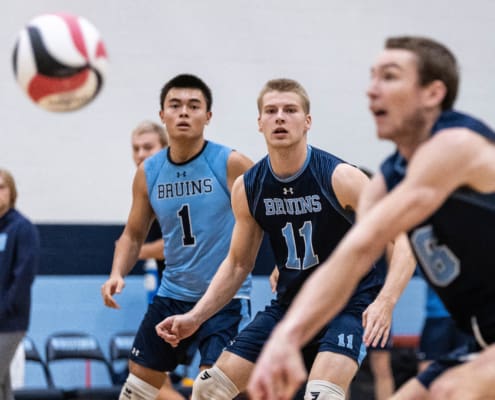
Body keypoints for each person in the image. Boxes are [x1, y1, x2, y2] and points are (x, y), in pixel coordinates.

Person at [247, 36, 495, 400]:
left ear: (432, 94)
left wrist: (385, 301)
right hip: (479, 337)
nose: (371, 90)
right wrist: (286, 337)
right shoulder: (387, 179)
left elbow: (367, 241)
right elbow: (348, 260)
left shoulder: (454, 145)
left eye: (389, 77)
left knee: (451, 391)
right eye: (372, 77)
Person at [156, 78, 415, 400]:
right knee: (209, 388)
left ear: (307, 122)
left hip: (347, 307)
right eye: (271, 110)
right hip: (291, 307)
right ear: (260, 122)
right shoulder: (248, 187)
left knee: (323, 394)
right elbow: (238, 264)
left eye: (290, 110)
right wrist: (195, 316)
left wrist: (385, 303)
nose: (280, 117)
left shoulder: (341, 177)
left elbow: (404, 241)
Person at [101, 73, 254, 400]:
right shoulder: (149, 172)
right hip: (173, 293)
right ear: (163, 115)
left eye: (193, 105)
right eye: (175, 105)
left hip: (224, 296)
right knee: (137, 387)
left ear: (207, 116)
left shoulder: (231, 162)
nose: (184, 112)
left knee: (210, 388)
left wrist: (280, 264)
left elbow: (272, 215)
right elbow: (133, 234)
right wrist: (117, 272)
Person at [0, 168, 40, 400]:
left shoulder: (22, 228)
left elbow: (24, 276)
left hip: (10, 321)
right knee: (3, 383)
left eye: (1, 187)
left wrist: (5, 308)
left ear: (11, 192)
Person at [130, 120, 168, 283]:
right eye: (136, 148)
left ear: (165, 148)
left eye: (148, 147)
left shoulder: (176, 185)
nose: (140, 154)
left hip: (204, 291)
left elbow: (186, 245)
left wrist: (138, 251)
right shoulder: (148, 188)